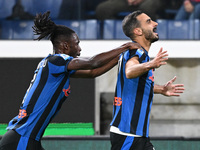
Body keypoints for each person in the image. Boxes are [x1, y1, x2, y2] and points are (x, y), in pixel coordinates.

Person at [0, 11, 141, 150]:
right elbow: (93, 62)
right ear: (65, 46)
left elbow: (93, 72)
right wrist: (125, 46)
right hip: (21, 139)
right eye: (77, 43)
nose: (79, 49)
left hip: (26, 138)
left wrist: (121, 56)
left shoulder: (57, 66)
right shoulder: (57, 60)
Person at [110, 10, 185, 150]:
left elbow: (135, 84)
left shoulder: (138, 53)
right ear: (138, 31)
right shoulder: (136, 51)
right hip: (128, 133)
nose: (155, 23)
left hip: (137, 135)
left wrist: (161, 89)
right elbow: (129, 72)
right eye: (149, 21)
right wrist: (151, 64)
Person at [95, 0, 163, 21]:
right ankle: (115, 33)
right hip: (126, 2)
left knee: (147, 8)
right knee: (103, 8)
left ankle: (150, 34)